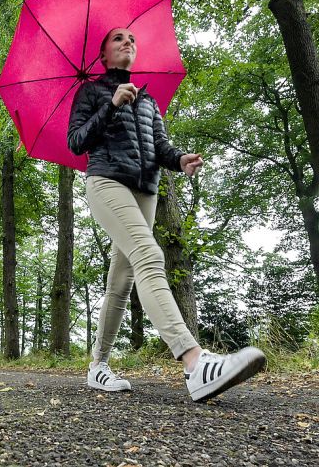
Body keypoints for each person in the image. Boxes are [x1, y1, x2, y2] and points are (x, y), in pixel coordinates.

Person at [67, 27, 266, 402]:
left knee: (121, 281)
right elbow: (76, 142)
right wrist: (110, 105)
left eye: (132, 39)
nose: (129, 42)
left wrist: (180, 160)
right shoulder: (92, 91)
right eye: (118, 39)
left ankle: (97, 366)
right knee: (149, 255)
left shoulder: (149, 102)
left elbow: (159, 146)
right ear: (104, 56)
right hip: (107, 182)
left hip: (146, 191)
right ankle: (195, 363)